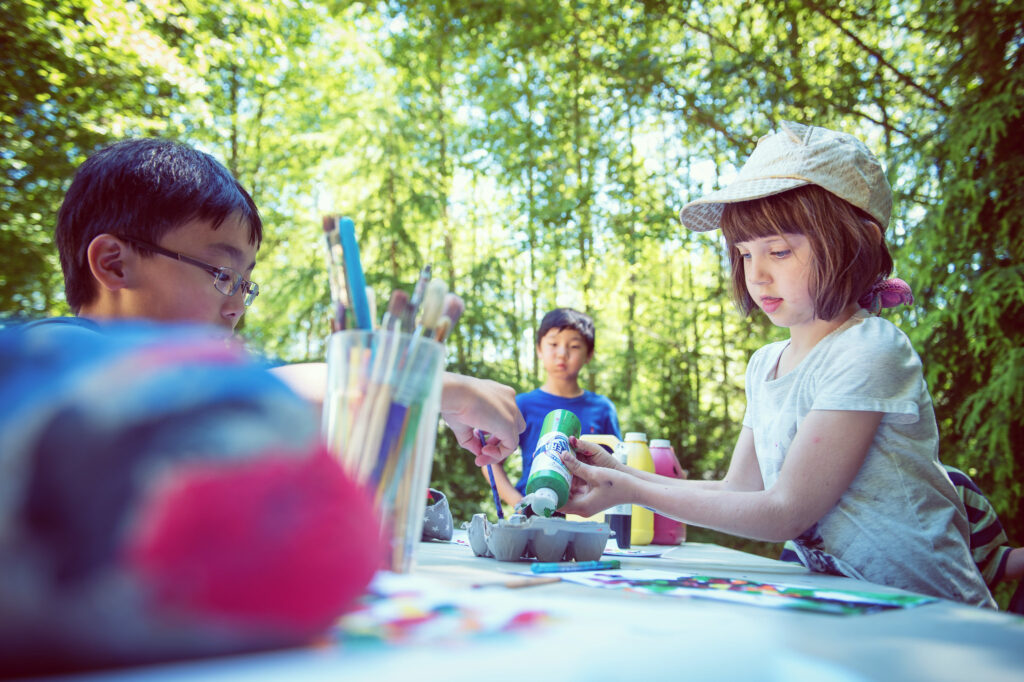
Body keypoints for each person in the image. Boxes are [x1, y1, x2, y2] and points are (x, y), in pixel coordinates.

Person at [557, 121, 994, 607]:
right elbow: (741, 488)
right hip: (852, 606)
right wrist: (622, 474)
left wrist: (628, 491)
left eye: (780, 251)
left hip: (935, 612)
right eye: (744, 254)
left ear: (856, 244)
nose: (757, 274)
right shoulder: (765, 365)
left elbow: (785, 512)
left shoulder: (868, 349)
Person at [47, 137, 524, 466]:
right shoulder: (52, 355)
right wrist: (433, 382)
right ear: (113, 264)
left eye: (244, 283)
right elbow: (216, 392)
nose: (238, 307)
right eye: (222, 275)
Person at [482, 307, 620, 509]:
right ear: (539, 349)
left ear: (589, 354)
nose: (562, 354)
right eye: (553, 344)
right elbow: (491, 461)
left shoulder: (602, 408)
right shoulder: (522, 404)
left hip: (590, 516)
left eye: (574, 346)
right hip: (533, 515)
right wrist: (517, 502)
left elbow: (619, 467)